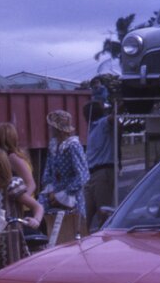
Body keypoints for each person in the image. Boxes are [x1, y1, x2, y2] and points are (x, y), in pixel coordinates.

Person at [39, 110, 89, 240]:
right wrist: (50, 191)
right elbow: (48, 170)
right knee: (41, 211)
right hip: (54, 194)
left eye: (52, 126)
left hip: (70, 196)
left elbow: (83, 175)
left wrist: (65, 194)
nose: (50, 129)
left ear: (58, 128)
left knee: (72, 231)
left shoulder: (73, 146)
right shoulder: (54, 145)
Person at [82, 101, 115, 232]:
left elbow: (112, 118)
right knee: (85, 213)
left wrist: (117, 106)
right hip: (90, 174)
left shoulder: (102, 124)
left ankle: (103, 242)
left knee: (103, 212)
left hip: (102, 172)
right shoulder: (91, 128)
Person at [0, 123, 37, 198]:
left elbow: (31, 184)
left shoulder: (13, 157)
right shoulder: (3, 157)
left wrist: (23, 201)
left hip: (22, 208)